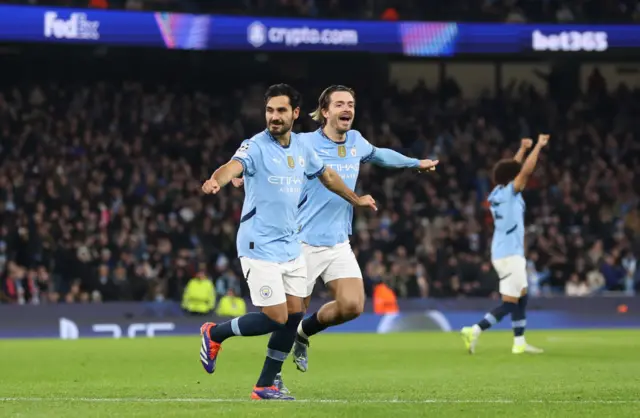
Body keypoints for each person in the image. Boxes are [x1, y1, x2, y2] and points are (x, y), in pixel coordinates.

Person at [235, 85, 438, 392]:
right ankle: (271, 377)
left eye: (351, 104)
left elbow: (380, 155)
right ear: (325, 111)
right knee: (289, 315)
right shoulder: (304, 142)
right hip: (301, 242)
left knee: (353, 305)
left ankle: (305, 333)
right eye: (340, 103)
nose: (347, 108)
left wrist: (414, 163)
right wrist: (244, 174)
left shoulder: (356, 141)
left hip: (338, 241)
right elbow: (266, 150)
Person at [199, 84, 377, 401]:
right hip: (258, 245)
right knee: (275, 317)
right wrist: (218, 180)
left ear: (295, 113)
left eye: (281, 110)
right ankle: (214, 334)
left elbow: (329, 177)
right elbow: (231, 167)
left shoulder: (302, 148)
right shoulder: (254, 146)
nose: (274, 117)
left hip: (291, 244)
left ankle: (265, 385)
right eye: (270, 110)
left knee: (295, 313)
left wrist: (356, 199)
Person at [460, 135, 549, 355]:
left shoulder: (496, 193)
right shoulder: (511, 192)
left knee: (522, 294)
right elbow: (525, 171)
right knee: (511, 302)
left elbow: (513, 168)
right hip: (510, 254)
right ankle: (475, 329)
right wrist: (538, 146)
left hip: (502, 252)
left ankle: (519, 342)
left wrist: (521, 148)